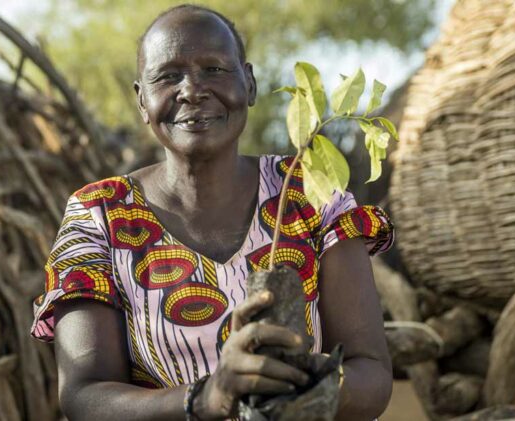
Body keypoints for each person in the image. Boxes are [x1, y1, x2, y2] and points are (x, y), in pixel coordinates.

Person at [30, 4, 395, 420]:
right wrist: (208, 397)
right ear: (142, 101)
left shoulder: (312, 194)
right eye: (168, 76)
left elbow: (372, 373)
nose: (192, 90)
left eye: (215, 69)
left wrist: (308, 388)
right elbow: (83, 395)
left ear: (250, 84)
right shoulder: (100, 215)